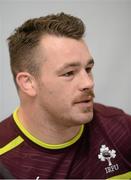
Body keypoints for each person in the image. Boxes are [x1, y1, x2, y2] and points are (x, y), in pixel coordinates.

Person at [0, 12, 131, 179]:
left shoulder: (121, 130)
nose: (88, 83)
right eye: (69, 73)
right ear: (28, 83)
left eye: (88, 69)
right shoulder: (4, 160)